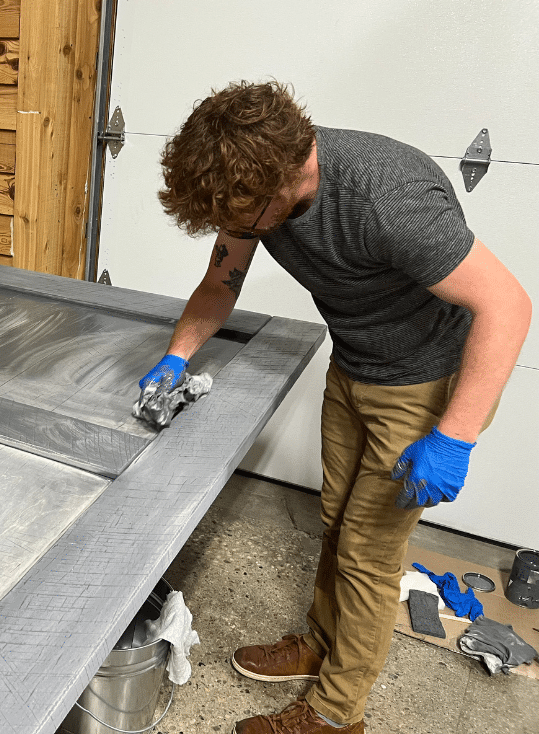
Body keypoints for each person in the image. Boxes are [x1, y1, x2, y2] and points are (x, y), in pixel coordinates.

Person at [140, 81, 531, 733]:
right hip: (356, 366)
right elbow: (219, 281)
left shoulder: (388, 198)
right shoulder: (255, 186)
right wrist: (178, 355)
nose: (233, 228)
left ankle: (334, 714)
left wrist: (454, 436)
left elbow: (508, 306)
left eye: (241, 215)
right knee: (336, 525)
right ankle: (320, 644)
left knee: (369, 553)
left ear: (288, 179)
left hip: (424, 385)